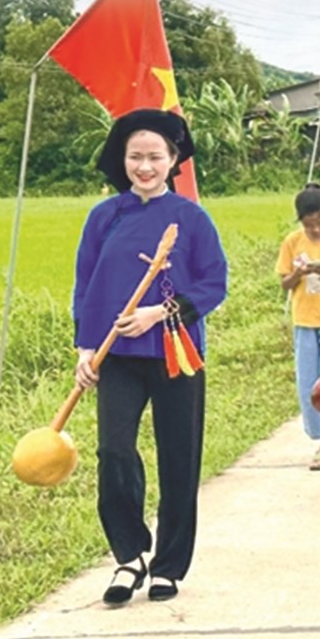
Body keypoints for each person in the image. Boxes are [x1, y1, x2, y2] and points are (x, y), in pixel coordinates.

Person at [73, 109, 228, 605]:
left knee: (178, 457)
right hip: (116, 355)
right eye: (136, 157)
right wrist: (85, 347)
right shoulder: (104, 216)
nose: (145, 166)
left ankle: (168, 566)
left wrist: (160, 313)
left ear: (173, 160)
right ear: (123, 161)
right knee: (113, 452)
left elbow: (213, 284)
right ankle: (129, 555)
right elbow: (86, 287)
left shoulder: (191, 218)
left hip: (175, 353)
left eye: (155, 157)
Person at [275, 184, 320, 470]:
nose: (314, 230)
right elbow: (284, 283)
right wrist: (300, 272)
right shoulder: (292, 242)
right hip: (304, 319)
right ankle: (317, 432)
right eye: (308, 224)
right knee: (307, 383)